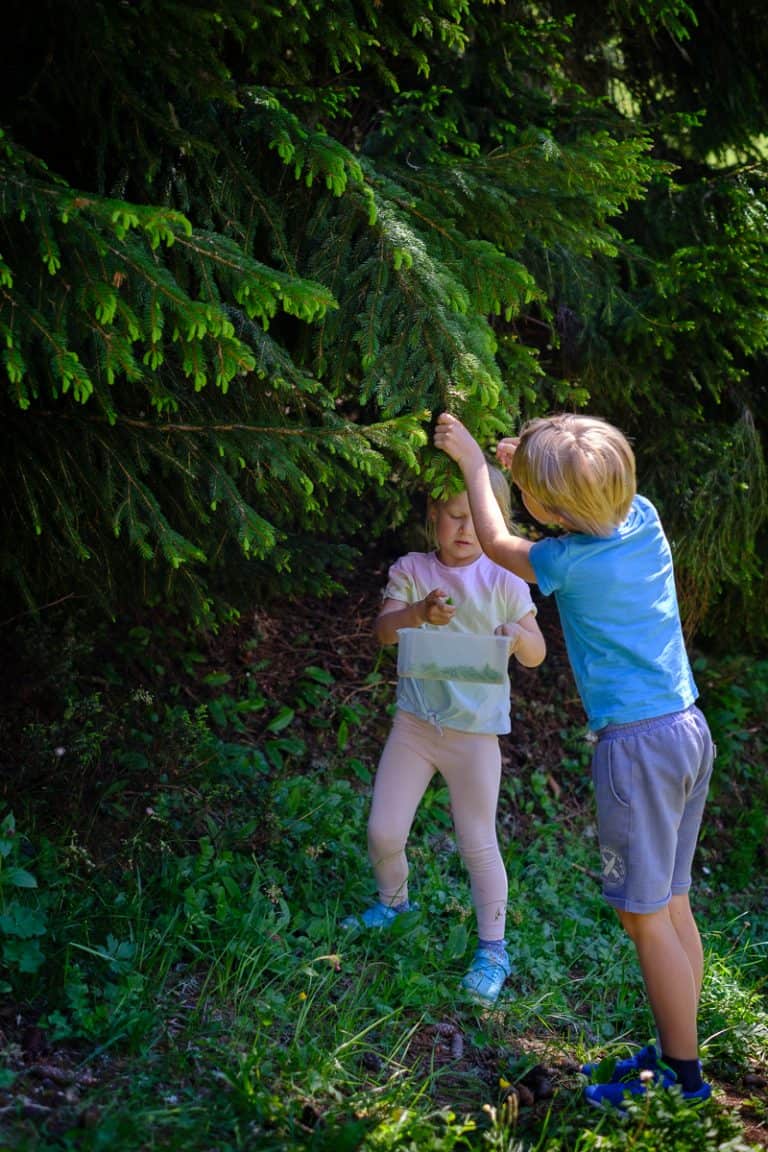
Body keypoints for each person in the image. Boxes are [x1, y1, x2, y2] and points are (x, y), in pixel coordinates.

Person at [434, 411, 714, 1106]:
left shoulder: (565, 564)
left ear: (548, 508)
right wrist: (527, 466)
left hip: (637, 750)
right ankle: (680, 1046)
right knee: (672, 904)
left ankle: (681, 1081)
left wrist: (477, 463)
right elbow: (580, 491)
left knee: (644, 918)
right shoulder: (643, 518)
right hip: (687, 730)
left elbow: (498, 540)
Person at [342, 465, 546, 1005]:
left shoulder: (504, 580)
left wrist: (515, 635)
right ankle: (393, 904)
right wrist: (419, 613)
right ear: (433, 515)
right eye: (453, 515)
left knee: (478, 841)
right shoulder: (412, 569)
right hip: (415, 726)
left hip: (475, 737)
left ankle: (493, 950)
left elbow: (538, 653)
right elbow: (385, 633)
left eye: (476, 519)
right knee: (384, 830)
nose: (464, 528)